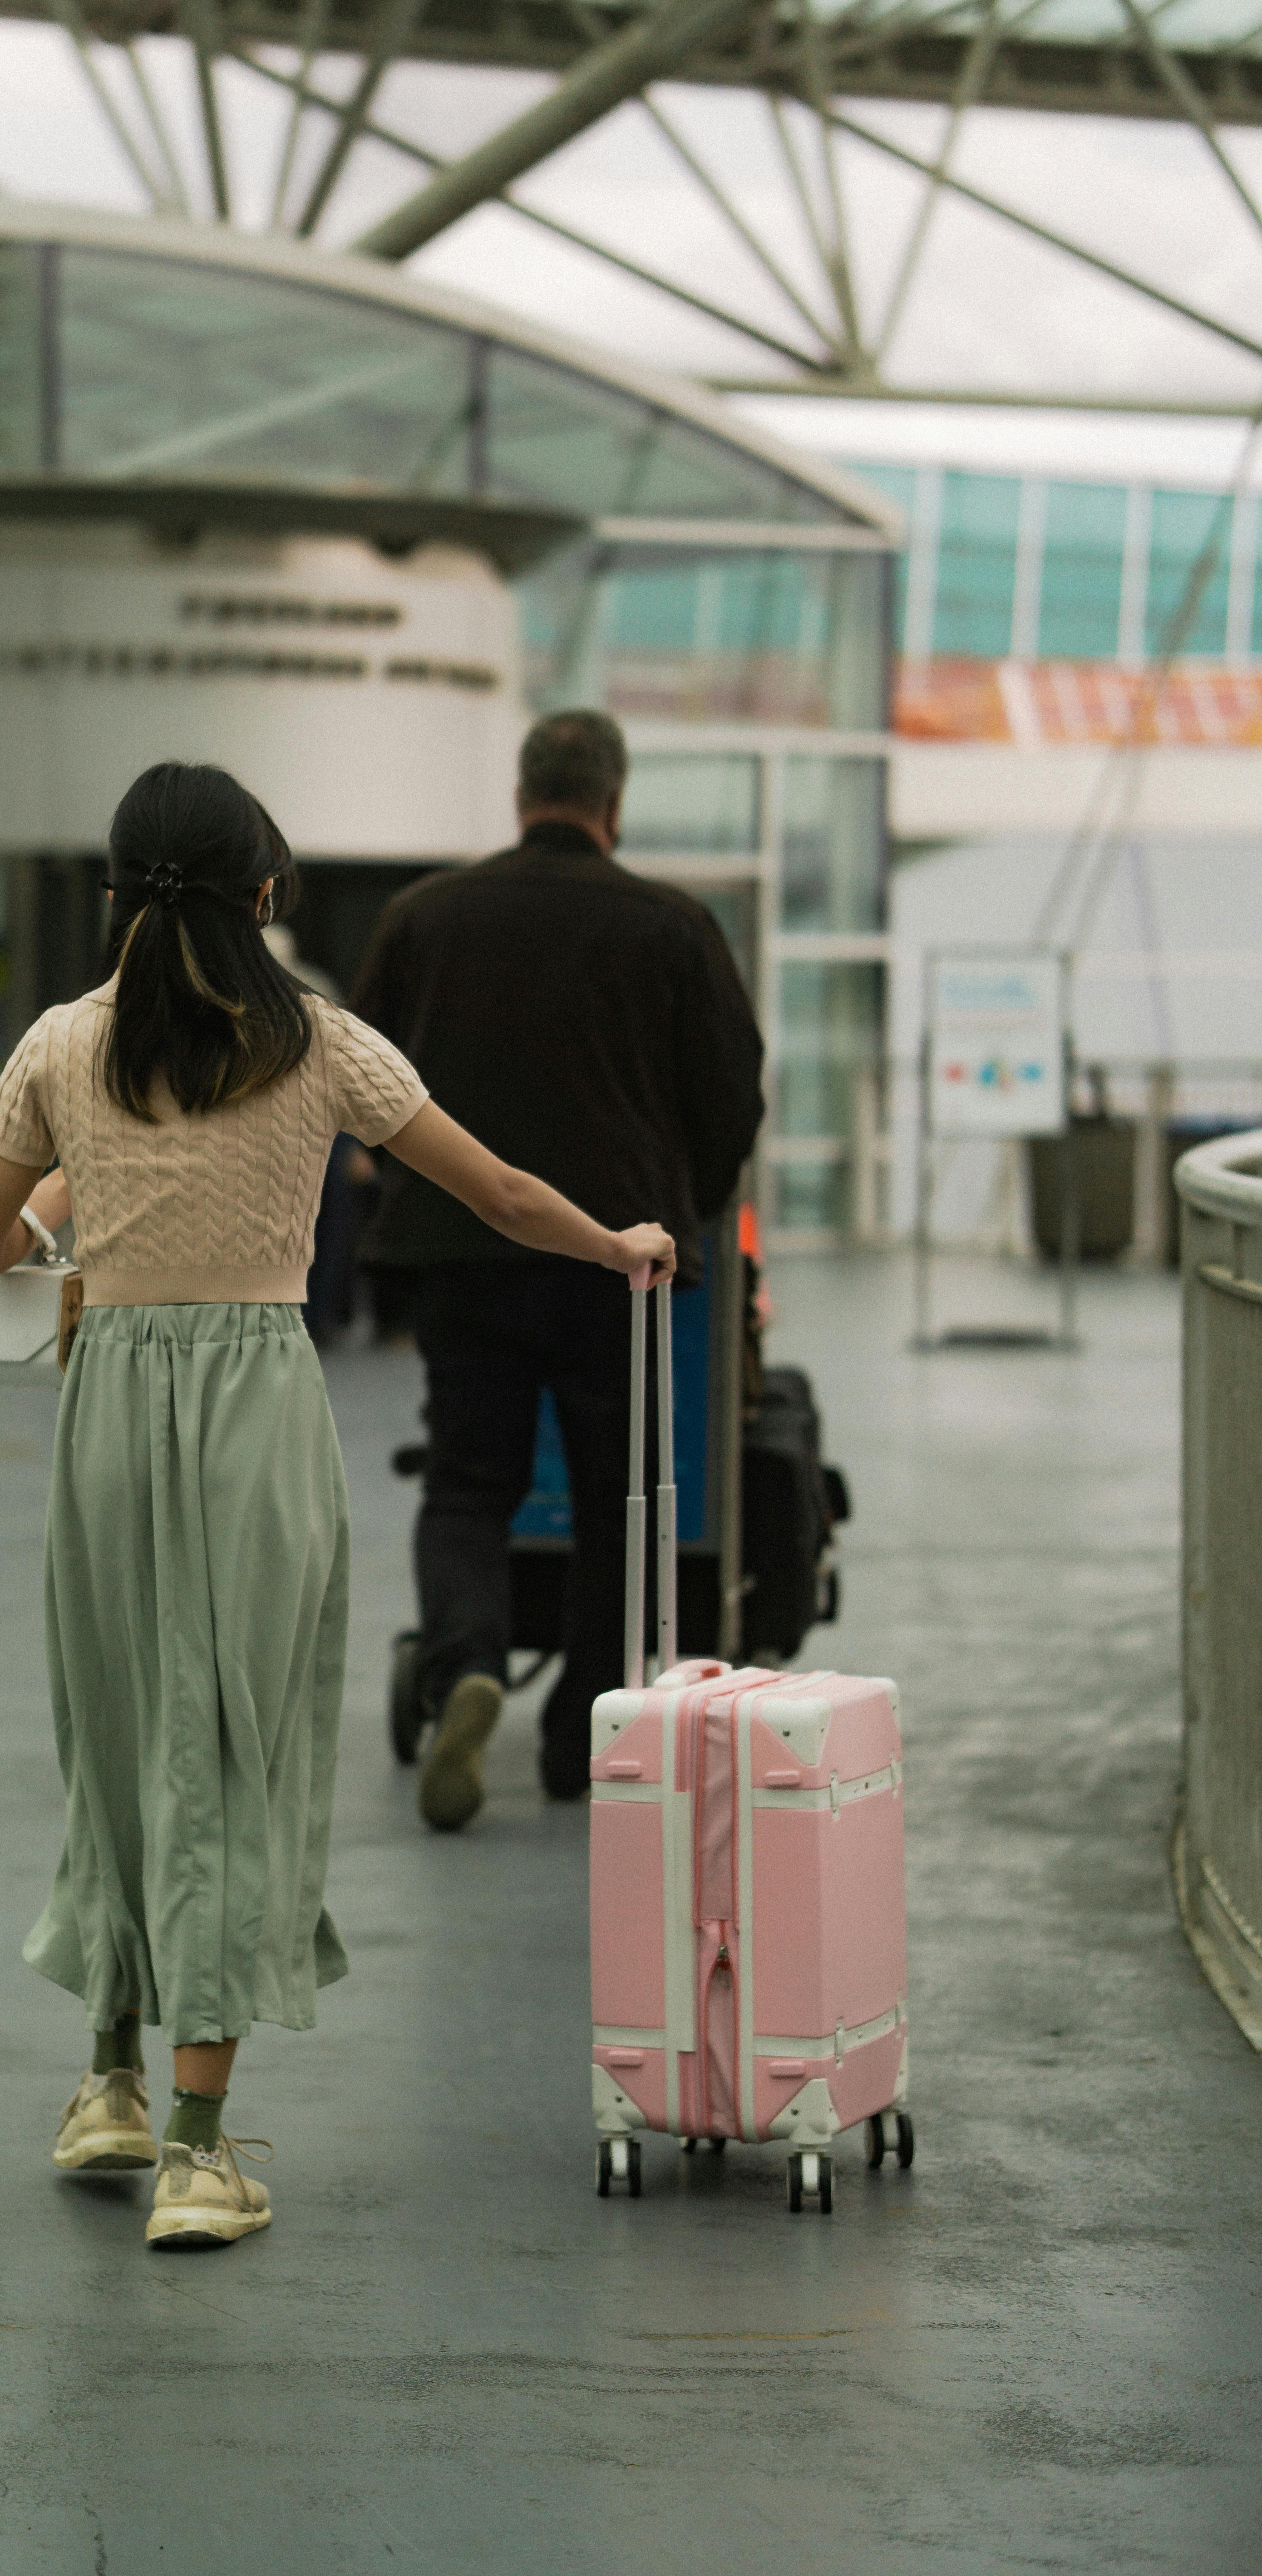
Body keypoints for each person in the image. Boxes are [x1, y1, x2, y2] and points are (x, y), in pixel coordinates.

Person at [0, 760, 675, 2252]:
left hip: (109, 1416)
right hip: (255, 1417)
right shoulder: (325, 1049)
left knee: (123, 1726)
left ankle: (109, 2079)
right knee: (238, 1743)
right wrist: (618, 1245)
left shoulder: (58, 1047)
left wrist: (77, 1206)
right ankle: (201, 2157)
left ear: (111, 895)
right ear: (264, 896)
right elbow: (500, 1196)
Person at [354, 709, 764, 1832]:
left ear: (521, 795)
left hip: (458, 1251)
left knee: (466, 1482)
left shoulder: (422, 920)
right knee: (613, 1499)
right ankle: (581, 1737)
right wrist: (691, 1200)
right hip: (615, 1263)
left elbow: (363, 1080)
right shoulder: (673, 928)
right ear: (613, 803)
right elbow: (732, 1091)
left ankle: (467, 1666)